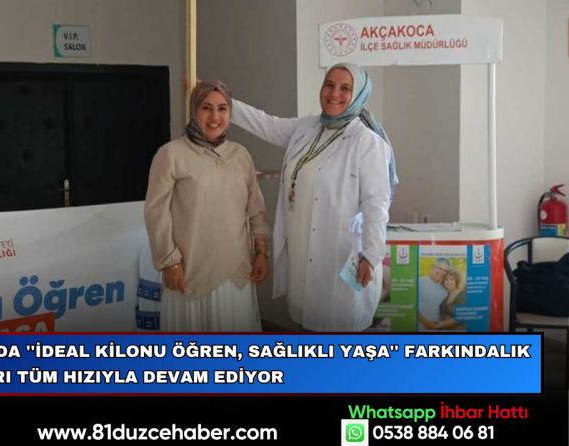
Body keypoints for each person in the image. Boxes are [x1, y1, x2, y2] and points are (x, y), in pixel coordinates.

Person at [227, 63, 397, 332]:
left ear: (359, 95)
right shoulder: (307, 127)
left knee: (341, 329)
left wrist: (371, 255)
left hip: (342, 253)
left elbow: (376, 204)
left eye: (345, 88)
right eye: (329, 84)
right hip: (303, 249)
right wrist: (223, 100)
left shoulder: (367, 142)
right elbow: (264, 123)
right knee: (307, 324)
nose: (334, 93)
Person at [144, 80, 270, 332]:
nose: (215, 117)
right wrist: (169, 262)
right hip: (190, 271)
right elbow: (156, 213)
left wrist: (261, 251)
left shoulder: (240, 155)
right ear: (194, 111)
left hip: (235, 272)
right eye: (206, 108)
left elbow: (255, 208)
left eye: (222, 108)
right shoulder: (171, 154)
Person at [418, 258, 450, 330]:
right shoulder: (420, 282)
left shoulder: (445, 290)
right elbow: (412, 307)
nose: (442, 272)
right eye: (440, 268)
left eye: (445, 270)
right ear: (433, 267)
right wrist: (427, 323)